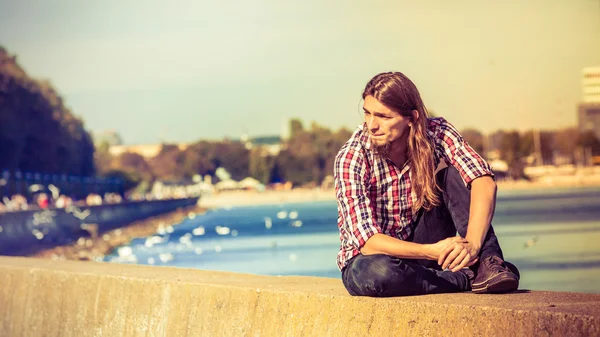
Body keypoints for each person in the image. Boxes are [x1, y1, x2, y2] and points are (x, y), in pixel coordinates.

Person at [335, 71, 519, 297]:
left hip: (421, 242)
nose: (371, 124)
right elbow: (368, 242)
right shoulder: (353, 156)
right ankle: (465, 278)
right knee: (379, 273)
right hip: (369, 258)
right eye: (367, 113)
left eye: (383, 116)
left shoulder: (435, 131)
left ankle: (489, 263)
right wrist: (432, 251)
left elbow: (484, 180)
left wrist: (472, 243)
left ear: (411, 119)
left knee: (454, 176)